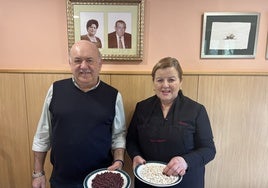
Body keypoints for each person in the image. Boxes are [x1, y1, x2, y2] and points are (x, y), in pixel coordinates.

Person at [32, 40, 126, 188]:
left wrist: (119, 160)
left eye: (89, 60)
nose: (83, 66)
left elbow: (118, 135)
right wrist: (38, 173)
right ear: (70, 63)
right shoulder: (55, 90)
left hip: (101, 179)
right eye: (77, 61)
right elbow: (42, 135)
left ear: (100, 64)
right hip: (62, 180)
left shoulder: (114, 96)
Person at [126, 57, 216, 188]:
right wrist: (135, 156)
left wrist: (185, 162)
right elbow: (131, 140)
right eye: (160, 80)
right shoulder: (142, 108)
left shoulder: (196, 110)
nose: (165, 85)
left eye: (171, 80)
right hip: (148, 180)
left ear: (180, 82)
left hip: (186, 181)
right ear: (153, 83)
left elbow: (209, 150)